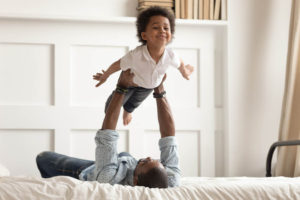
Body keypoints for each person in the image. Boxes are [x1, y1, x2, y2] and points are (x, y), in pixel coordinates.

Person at [36, 70, 180, 188]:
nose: (148, 157)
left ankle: (102, 162)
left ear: (135, 180)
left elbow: (107, 134)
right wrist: (159, 89)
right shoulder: (171, 180)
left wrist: (121, 87)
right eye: (154, 160)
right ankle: (106, 159)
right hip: (122, 162)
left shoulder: (109, 178)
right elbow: (169, 137)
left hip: (94, 172)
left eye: (144, 162)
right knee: (121, 156)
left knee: (43, 158)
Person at [93, 6, 194, 126]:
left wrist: (184, 71)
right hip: (131, 83)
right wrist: (105, 75)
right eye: (156, 27)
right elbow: (117, 64)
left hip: (148, 87)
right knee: (110, 107)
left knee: (135, 103)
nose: (162, 30)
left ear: (170, 34)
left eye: (166, 28)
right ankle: (119, 109)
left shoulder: (171, 55)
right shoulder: (136, 54)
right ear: (145, 36)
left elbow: (180, 63)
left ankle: (128, 112)